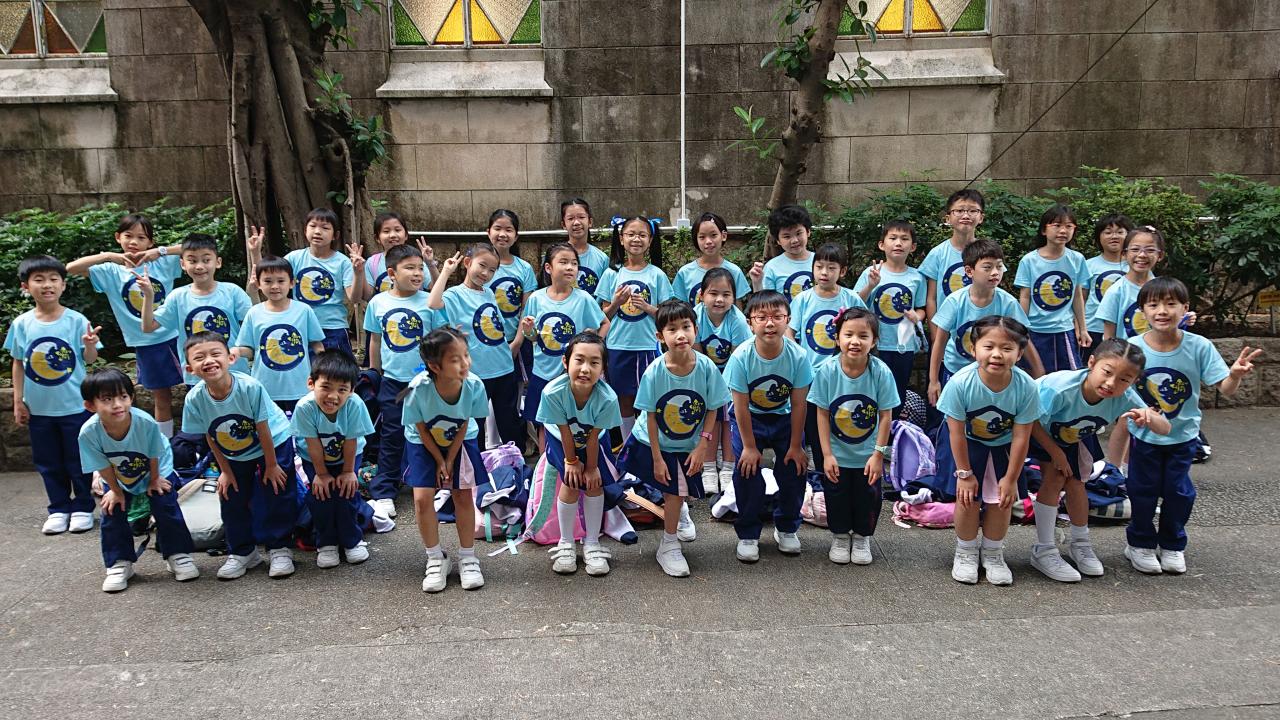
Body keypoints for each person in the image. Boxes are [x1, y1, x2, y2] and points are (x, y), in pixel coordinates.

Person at [1123, 277, 1260, 575]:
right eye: (1153, 305)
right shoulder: (1132, 349)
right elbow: (1119, 391)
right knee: (1142, 491)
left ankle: (1172, 544)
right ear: (1142, 311)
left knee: (1179, 492)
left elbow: (1225, 389)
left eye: (1171, 304)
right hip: (1144, 437)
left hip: (1183, 437)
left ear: (1185, 309)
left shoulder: (1199, 346)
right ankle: (1140, 544)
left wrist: (1235, 375)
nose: (1162, 311)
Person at [1028, 339, 1170, 582]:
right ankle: (1044, 550)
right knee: (1055, 477)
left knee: (1077, 483)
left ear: (1134, 381)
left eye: (1124, 379)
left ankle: (1080, 543)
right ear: (1091, 363)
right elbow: (1030, 420)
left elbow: (1165, 428)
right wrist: (1056, 454)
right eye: (1107, 372)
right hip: (1034, 428)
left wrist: (1149, 416)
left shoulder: (1125, 397)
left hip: (1072, 435)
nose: (1111, 383)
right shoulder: (1060, 389)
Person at [619, 300, 729, 577]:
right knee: (673, 488)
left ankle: (676, 512)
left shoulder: (706, 367)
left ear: (696, 330)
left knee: (677, 489)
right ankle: (669, 545)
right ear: (660, 336)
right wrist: (657, 458)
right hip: (653, 442)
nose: (680, 335)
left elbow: (713, 407)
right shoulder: (655, 371)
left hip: (689, 443)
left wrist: (703, 445)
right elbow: (651, 416)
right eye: (672, 329)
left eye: (686, 327)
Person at [180, 331, 297, 580]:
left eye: (215, 353)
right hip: (232, 449)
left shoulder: (249, 388)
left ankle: (280, 548)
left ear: (230, 358)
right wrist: (224, 471)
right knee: (231, 495)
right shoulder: (195, 399)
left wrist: (271, 465)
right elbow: (210, 435)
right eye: (199, 357)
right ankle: (243, 552)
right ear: (190, 369)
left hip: (272, 441)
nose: (209, 361)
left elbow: (263, 427)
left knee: (277, 491)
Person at [936, 316, 1041, 586]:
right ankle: (966, 551)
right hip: (965, 444)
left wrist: (1011, 477)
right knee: (967, 498)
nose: (997, 354)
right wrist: (964, 473)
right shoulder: (960, 383)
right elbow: (955, 432)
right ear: (973, 349)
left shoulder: (1026, 387)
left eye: (1007, 348)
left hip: (1003, 446)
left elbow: (1022, 436)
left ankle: (993, 553)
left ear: (1020, 353)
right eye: (989, 346)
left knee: (1001, 500)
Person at [4, 255, 101, 535]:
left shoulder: (76, 320)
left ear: (63, 285)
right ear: (26, 286)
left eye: (53, 279)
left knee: (78, 459)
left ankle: (83, 507)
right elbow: (18, 362)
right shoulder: (22, 324)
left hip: (75, 406)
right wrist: (18, 401)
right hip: (38, 409)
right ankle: (58, 508)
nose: (47, 285)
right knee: (48, 462)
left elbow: (90, 359)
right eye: (39, 279)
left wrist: (90, 345)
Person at [78, 368, 198, 592]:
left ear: (131, 397)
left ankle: (178, 554)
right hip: (117, 475)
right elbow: (101, 464)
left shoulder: (145, 423)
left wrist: (155, 479)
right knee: (112, 510)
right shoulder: (88, 433)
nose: (117, 404)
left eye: (123, 396)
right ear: (90, 405)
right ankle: (119, 562)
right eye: (107, 399)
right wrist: (115, 491)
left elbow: (154, 453)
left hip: (156, 468)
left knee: (165, 504)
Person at [66, 213, 183, 436]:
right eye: (128, 236)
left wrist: (161, 251)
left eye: (141, 237)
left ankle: (196, 441)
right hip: (146, 342)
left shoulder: (162, 263)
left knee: (196, 387)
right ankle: (165, 444)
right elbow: (70, 268)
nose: (134, 242)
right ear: (118, 237)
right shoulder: (111, 271)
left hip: (177, 336)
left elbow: (197, 248)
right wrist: (109, 256)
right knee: (162, 397)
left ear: (150, 242)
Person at [724, 290, 812, 562]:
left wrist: (796, 445)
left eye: (777, 316)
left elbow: (799, 404)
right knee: (747, 469)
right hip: (749, 418)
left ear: (788, 320)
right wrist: (750, 447)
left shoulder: (798, 356)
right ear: (750, 323)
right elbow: (739, 406)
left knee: (794, 468)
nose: (770, 323)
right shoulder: (741, 357)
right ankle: (748, 533)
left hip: (785, 417)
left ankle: (787, 527)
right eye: (761, 317)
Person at [402, 328, 492, 593]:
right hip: (423, 441)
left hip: (461, 440)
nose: (465, 363)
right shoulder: (416, 388)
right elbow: (420, 427)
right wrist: (438, 460)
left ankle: (468, 557)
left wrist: (450, 459)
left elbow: (464, 422)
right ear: (434, 366)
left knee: (462, 495)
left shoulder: (474, 385)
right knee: (422, 499)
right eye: (455, 359)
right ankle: (435, 558)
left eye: (466, 355)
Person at [808, 308, 899, 566]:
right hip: (836, 453)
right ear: (837, 338)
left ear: (874, 341)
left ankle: (861, 537)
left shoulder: (881, 372)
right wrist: (826, 454)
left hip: (868, 454)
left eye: (863, 336)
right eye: (848, 335)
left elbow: (885, 416)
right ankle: (839, 536)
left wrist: (879, 454)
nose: (855, 341)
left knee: (867, 496)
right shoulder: (827, 371)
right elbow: (822, 414)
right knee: (836, 494)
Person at [534, 332, 622, 577]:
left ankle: (592, 542)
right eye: (579, 360)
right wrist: (571, 461)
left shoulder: (608, 398)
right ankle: (566, 542)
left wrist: (591, 468)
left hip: (593, 439)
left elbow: (593, 437)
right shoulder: (552, 392)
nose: (585, 369)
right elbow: (564, 431)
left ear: (603, 368)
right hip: (560, 438)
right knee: (570, 482)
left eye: (594, 363)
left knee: (594, 483)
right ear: (565, 362)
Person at [363, 243, 437, 519]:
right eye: (410, 268)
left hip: (426, 382)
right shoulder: (378, 303)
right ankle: (385, 490)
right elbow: (375, 339)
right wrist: (375, 372)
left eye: (420, 268)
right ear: (392, 273)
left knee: (431, 432)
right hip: (394, 382)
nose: (417, 273)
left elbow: (439, 340)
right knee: (392, 434)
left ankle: (434, 484)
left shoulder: (430, 301)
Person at [428, 243, 526, 450]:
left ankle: (516, 461)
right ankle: (477, 464)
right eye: (482, 266)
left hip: (504, 367)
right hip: (476, 372)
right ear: (467, 262)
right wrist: (445, 272)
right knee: (476, 424)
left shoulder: (489, 293)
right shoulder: (455, 294)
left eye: (492, 270)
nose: (486, 273)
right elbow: (434, 303)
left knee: (509, 421)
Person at [928, 239, 1044, 406]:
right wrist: (933, 380)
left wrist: (1039, 371)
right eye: (987, 267)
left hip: (994, 371)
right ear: (969, 271)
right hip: (956, 369)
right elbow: (940, 342)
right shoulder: (955, 302)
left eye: (999, 266)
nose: (995, 272)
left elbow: (1023, 338)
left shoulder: (1008, 303)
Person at [292, 350, 376, 569]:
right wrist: (321, 474)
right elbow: (312, 443)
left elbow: (351, 440)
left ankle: (352, 540)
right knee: (321, 495)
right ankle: (326, 542)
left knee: (347, 493)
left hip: (349, 455)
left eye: (342, 389)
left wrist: (348, 472)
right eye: (326, 387)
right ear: (311, 383)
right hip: (314, 458)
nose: (333, 396)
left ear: (352, 390)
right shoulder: (305, 407)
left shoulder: (354, 404)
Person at [522, 243, 609, 451]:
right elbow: (533, 337)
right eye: (563, 262)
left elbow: (604, 323)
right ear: (548, 267)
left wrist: (592, 348)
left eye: (574, 263)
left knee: (571, 421)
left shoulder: (583, 298)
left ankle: (573, 459)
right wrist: (528, 330)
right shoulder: (536, 298)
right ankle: (545, 463)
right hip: (542, 371)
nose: (570, 267)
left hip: (572, 374)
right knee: (543, 422)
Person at [596, 216, 674, 442]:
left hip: (648, 346)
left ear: (650, 240)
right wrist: (616, 303)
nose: (636, 239)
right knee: (623, 400)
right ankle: (628, 446)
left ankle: (649, 445)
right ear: (621, 239)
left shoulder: (656, 274)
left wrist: (647, 307)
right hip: (617, 347)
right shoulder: (612, 274)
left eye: (642, 235)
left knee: (650, 399)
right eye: (630, 234)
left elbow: (667, 316)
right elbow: (602, 317)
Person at [139, 232, 252, 386]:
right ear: (183, 264)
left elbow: (253, 322)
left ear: (218, 262)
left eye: (206, 260)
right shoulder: (177, 297)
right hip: (197, 376)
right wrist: (148, 296)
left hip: (235, 372)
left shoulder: (232, 292)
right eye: (192, 261)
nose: (199, 266)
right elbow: (148, 327)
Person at [233, 255, 325, 414]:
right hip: (265, 388)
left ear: (292, 283)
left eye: (281, 281)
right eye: (268, 281)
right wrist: (237, 351)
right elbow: (250, 350)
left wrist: (326, 363)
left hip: (300, 387)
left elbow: (316, 343)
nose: (275, 286)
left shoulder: (304, 311)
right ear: (259, 284)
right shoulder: (254, 313)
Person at [855, 220, 928, 415]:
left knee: (898, 392)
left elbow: (922, 308)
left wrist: (917, 316)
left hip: (904, 345)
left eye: (904, 239)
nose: (898, 243)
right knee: (873, 391)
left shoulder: (917, 277)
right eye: (893, 238)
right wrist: (871, 285)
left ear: (912, 247)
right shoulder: (871, 273)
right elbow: (855, 304)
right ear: (882, 244)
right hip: (876, 344)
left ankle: (892, 431)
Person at [693, 267, 751, 492]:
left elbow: (737, 358)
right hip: (705, 374)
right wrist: (710, 384)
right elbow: (697, 353)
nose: (719, 299)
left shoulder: (737, 320)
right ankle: (708, 466)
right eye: (713, 293)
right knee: (709, 419)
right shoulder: (696, 316)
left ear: (734, 298)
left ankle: (728, 465)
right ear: (702, 295)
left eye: (726, 295)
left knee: (728, 419)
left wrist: (722, 388)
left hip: (733, 376)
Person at [1015, 204, 1092, 373]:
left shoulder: (1077, 259)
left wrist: (1083, 329)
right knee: (1036, 375)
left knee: (1069, 376)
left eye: (1069, 226)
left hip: (1064, 329)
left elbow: (1077, 295)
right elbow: (1025, 296)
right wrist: (1021, 329)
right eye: (1057, 225)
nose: (1063, 231)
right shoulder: (1029, 261)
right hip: (1035, 330)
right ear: (1044, 230)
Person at [279, 208, 366, 354]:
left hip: (333, 328)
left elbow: (354, 298)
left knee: (336, 368)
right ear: (305, 230)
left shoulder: (343, 262)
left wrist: (358, 273)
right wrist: (255, 253)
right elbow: (271, 278)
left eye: (325, 228)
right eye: (313, 226)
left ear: (335, 235)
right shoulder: (294, 258)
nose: (317, 232)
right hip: (301, 325)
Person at [485, 209, 539, 388]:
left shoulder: (524, 268)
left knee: (514, 388)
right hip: (485, 340)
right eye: (497, 228)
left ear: (516, 236)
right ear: (488, 232)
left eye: (508, 230)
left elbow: (526, 309)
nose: (502, 234)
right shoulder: (480, 266)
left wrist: (516, 343)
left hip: (516, 338)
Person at [921, 188, 985, 318]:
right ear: (948, 218)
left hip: (981, 324)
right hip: (946, 324)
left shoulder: (987, 251)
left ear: (981, 218)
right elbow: (931, 299)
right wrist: (934, 329)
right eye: (959, 211)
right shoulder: (937, 254)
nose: (966, 216)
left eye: (973, 211)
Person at [1081, 213, 1134, 360]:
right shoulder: (1089, 265)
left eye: (1120, 232)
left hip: (1124, 329)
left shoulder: (1135, 266)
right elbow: (1081, 298)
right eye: (1108, 232)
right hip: (1093, 328)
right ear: (1099, 236)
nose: (1114, 236)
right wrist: (1080, 327)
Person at [671, 212, 751, 305]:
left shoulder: (735, 272)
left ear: (723, 236)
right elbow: (679, 307)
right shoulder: (685, 273)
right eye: (702, 237)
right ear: (696, 239)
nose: (708, 241)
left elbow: (737, 308)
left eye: (713, 235)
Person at [361, 211, 439, 298]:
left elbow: (435, 287)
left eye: (397, 230)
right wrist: (359, 271)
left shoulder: (417, 261)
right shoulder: (373, 263)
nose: (392, 235)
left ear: (406, 235)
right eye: (386, 231)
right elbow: (367, 295)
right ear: (377, 238)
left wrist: (430, 264)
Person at [749, 204, 814, 300]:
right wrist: (757, 283)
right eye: (787, 236)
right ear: (778, 240)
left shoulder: (821, 262)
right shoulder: (772, 267)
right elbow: (763, 302)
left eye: (798, 233)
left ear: (808, 232)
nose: (794, 240)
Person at [560, 197, 609, 295]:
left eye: (581, 217)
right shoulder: (554, 256)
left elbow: (606, 296)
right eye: (571, 218)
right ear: (564, 224)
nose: (576, 223)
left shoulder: (602, 259)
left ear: (590, 222)